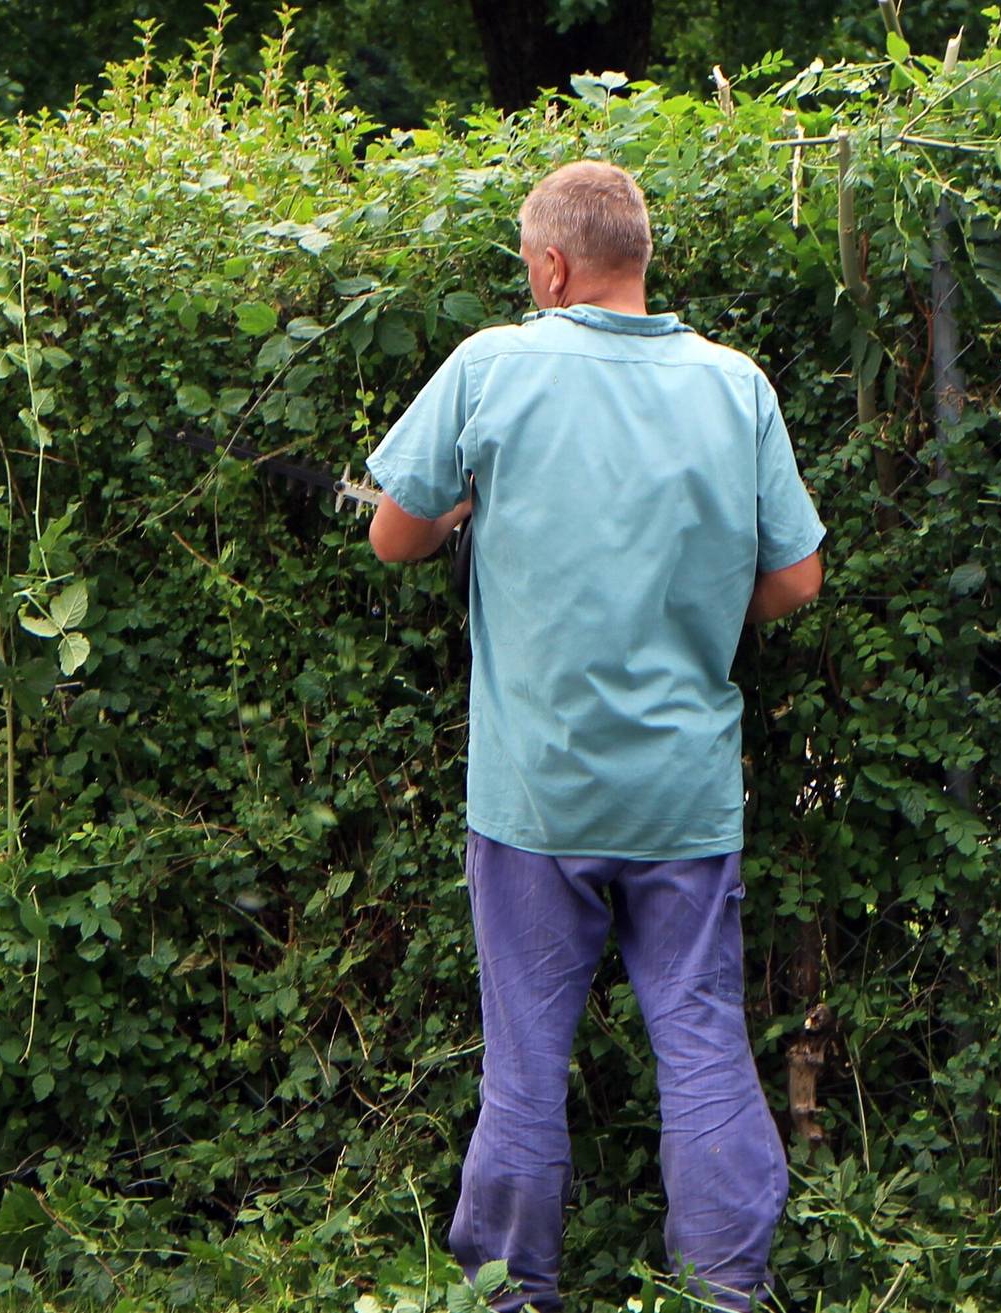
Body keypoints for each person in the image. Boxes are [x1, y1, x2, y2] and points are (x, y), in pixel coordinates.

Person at [363, 160, 825, 1313]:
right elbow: (798, 579)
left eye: (531, 268)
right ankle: (725, 1288)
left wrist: (464, 512)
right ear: (641, 258)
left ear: (553, 266)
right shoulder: (736, 385)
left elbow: (392, 535)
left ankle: (510, 1294)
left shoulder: (492, 365)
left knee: (525, 1062)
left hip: (533, 798)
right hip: (682, 792)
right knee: (704, 1038)